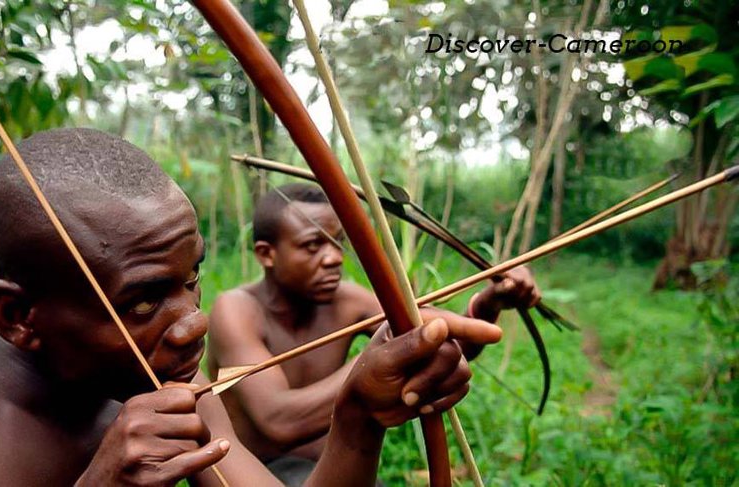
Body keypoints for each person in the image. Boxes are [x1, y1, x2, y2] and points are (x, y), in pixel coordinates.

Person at [0, 128, 505, 486]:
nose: (193, 323)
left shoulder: (169, 388)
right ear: (18, 317)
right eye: (141, 301)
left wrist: (357, 416)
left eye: (192, 279)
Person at [207, 183, 542, 485]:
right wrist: (370, 369)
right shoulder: (236, 310)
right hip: (258, 473)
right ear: (267, 254)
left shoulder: (346, 300)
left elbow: (441, 343)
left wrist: (489, 302)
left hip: (339, 466)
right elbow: (279, 420)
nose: (334, 258)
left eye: (337, 243)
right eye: (313, 246)